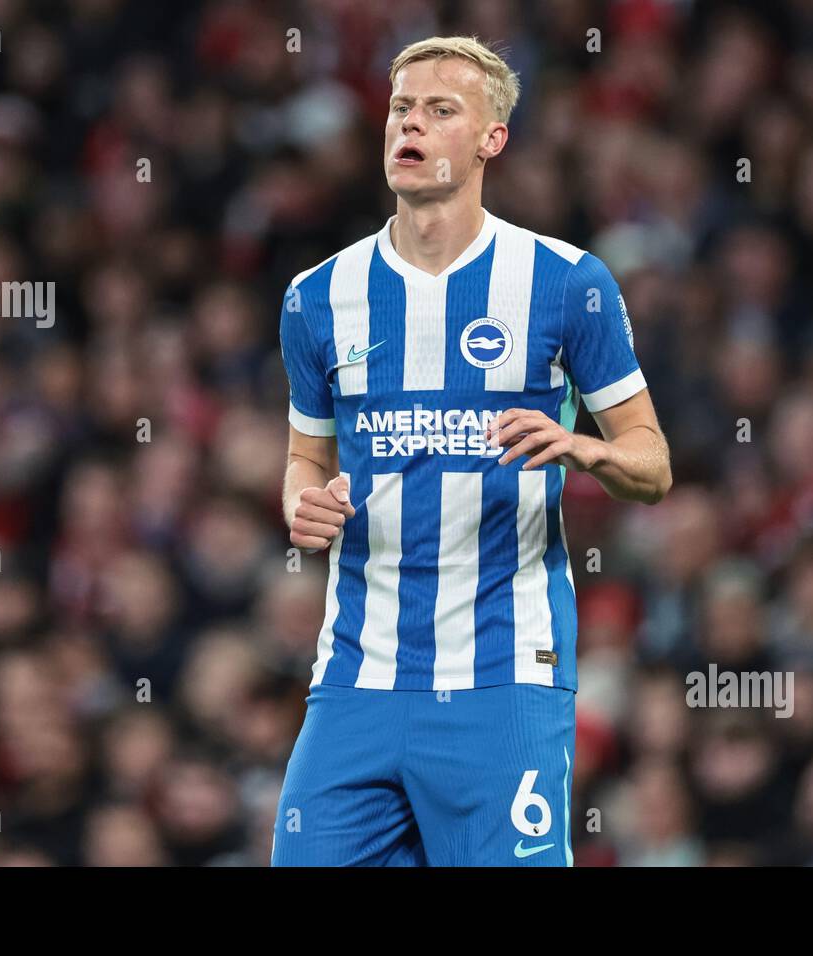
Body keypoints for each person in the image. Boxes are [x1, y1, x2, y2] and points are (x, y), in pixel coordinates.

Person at [272, 35, 672, 866]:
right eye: (400, 108)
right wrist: (298, 503)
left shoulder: (567, 282)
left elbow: (654, 464)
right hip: (357, 676)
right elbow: (305, 459)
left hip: (506, 680)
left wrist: (581, 449)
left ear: (492, 138)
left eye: (440, 110)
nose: (410, 124)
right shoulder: (318, 298)